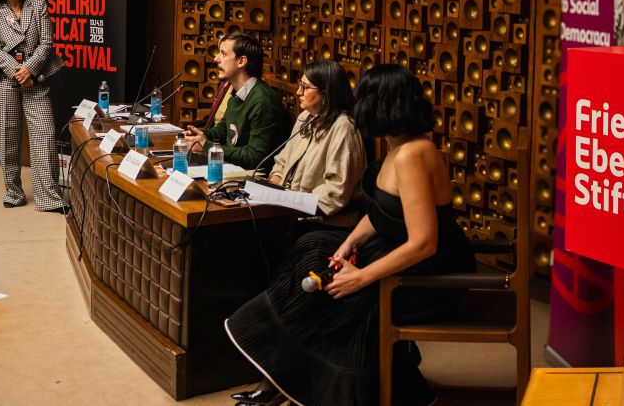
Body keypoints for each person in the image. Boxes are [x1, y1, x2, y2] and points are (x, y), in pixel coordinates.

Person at [224, 65, 473, 406]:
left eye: (366, 96)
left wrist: (362, 277)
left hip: (428, 274)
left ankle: (301, 383)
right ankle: (280, 376)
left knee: (337, 293)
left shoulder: (414, 153)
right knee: (312, 246)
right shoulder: (398, 144)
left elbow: (424, 242)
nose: (359, 103)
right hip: (397, 251)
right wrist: (349, 242)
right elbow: (385, 212)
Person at [0, 0, 63, 212]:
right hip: (6, 78)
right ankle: (13, 192)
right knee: (7, 136)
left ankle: (49, 197)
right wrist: (18, 73)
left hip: (35, 76)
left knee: (45, 135)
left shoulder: (38, 5)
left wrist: (28, 69)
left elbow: (46, 42)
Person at [261, 60, 366, 229]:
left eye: (305, 87)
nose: (298, 92)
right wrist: (272, 189)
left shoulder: (344, 128)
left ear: (327, 92)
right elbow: (282, 162)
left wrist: (289, 201)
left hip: (323, 224)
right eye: (299, 85)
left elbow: (335, 194)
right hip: (288, 212)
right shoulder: (305, 118)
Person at [180, 33, 294, 171]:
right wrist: (198, 137)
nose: (216, 59)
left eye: (223, 54)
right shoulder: (237, 92)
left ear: (241, 61)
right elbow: (223, 130)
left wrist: (207, 146)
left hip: (251, 179)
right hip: (230, 169)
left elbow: (255, 158)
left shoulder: (264, 101)